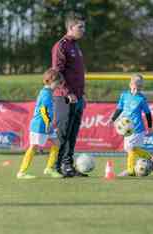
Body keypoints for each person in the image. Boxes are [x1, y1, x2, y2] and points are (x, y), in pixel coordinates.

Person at [51, 12, 87, 177]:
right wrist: (68, 92)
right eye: (80, 27)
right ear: (71, 27)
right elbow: (57, 72)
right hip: (64, 97)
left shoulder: (76, 46)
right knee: (63, 133)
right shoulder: (61, 46)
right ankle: (56, 167)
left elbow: (76, 74)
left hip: (78, 97)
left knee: (72, 134)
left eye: (83, 26)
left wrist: (81, 95)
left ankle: (68, 166)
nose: (83, 29)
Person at [17, 69, 63, 179]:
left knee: (57, 143)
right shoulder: (46, 94)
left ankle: (49, 168)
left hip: (47, 124)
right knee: (33, 147)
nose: (59, 85)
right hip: (40, 125)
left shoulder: (48, 92)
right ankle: (21, 172)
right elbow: (43, 110)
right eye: (57, 83)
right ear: (50, 81)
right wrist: (48, 124)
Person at [110, 74, 153, 176]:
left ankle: (130, 170)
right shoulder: (124, 95)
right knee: (130, 149)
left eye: (140, 86)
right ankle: (150, 156)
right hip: (127, 129)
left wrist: (150, 127)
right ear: (130, 84)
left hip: (137, 128)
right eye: (136, 85)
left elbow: (148, 113)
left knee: (131, 149)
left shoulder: (142, 99)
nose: (137, 88)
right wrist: (113, 119)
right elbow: (119, 108)